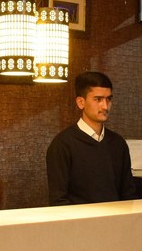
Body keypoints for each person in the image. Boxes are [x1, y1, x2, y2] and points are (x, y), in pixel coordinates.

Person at [47, 71, 136, 205]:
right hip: (79, 218)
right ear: (81, 102)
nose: (105, 106)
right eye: (98, 99)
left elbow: (128, 194)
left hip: (116, 217)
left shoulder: (118, 143)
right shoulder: (62, 144)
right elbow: (58, 200)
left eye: (108, 99)